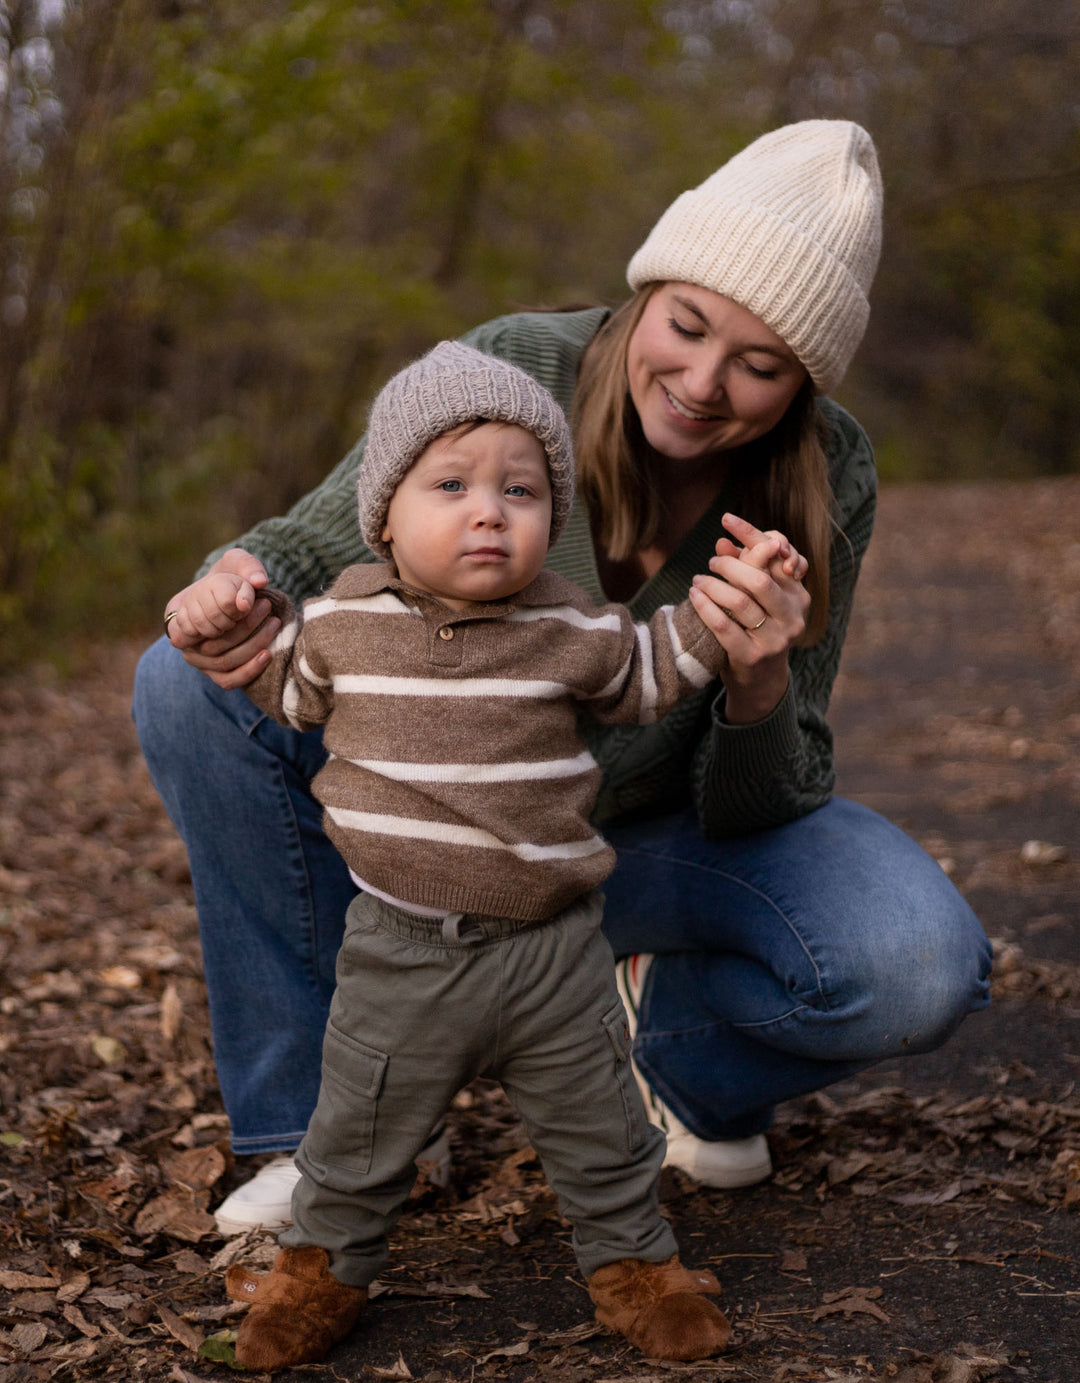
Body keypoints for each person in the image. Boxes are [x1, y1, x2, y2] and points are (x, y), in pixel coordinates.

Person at [134, 120, 992, 1238]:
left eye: (760, 365)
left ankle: (668, 1054)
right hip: (435, 824)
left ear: (806, 383)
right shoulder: (513, 367)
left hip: (631, 843)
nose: (700, 383)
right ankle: (327, 1128)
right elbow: (300, 547)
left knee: (918, 963)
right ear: (647, 292)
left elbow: (764, 805)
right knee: (180, 685)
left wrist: (758, 679)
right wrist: (226, 588)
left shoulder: (830, 475)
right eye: (685, 327)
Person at [168, 340, 746, 1369]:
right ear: (385, 514)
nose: (490, 510)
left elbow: (652, 674)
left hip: (551, 953)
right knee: (354, 1139)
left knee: (600, 1132)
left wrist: (724, 610)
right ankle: (320, 1278)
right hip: (401, 953)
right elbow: (277, 685)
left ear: (550, 520)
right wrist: (226, 613)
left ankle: (639, 1272)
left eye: (520, 490)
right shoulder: (342, 620)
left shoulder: (569, 623)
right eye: (452, 485)